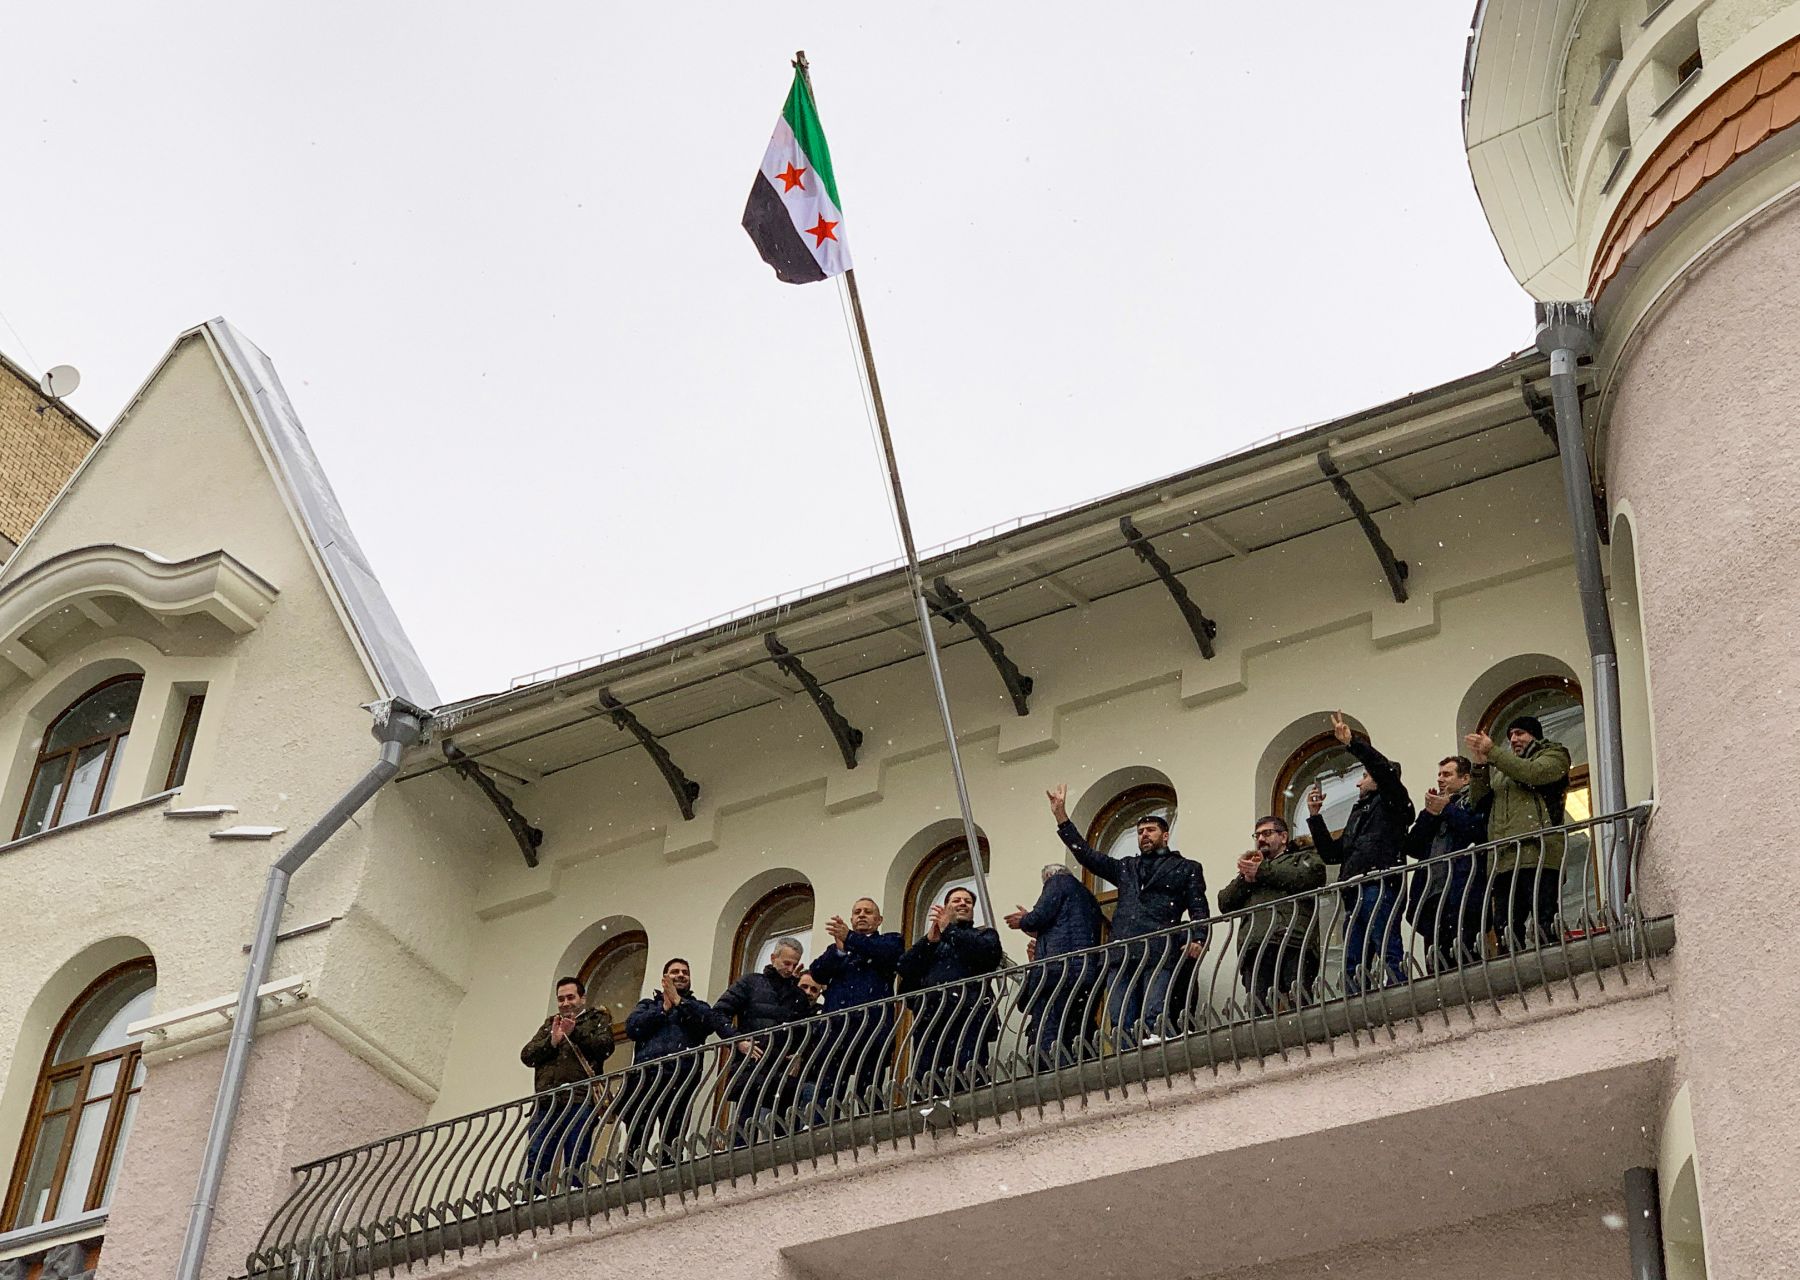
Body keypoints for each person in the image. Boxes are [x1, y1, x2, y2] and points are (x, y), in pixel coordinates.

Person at [1048, 784, 1209, 1047]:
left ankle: (1155, 1064)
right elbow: (1086, 855)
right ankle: (1128, 1064)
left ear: (1166, 836)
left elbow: (1199, 907)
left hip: (1159, 948)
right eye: (1140, 832)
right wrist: (1061, 817)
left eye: (1150, 830)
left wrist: (1198, 937)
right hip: (1122, 952)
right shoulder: (1126, 867)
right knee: (1120, 1017)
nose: (1144, 835)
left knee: (1154, 1013)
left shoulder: (1186, 868)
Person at [1305, 713, 1415, 994]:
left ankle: (1400, 988)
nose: (1358, 783)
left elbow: (1384, 772)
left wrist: (1353, 743)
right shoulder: (1359, 812)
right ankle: (1356, 997)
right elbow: (1332, 855)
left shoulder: (1394, 802)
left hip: (1379, 883)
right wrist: (1315, 817)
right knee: (1354, 955)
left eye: (1364, 776)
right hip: (1354, 889)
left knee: (1385, 941)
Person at [1466, 715, 1572, 951]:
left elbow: (1532, 773)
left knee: (1544, 918)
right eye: (1511, 735)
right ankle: (1514, 974)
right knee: (1504, 927)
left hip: (1539, 854)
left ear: (1534, 735)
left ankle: (1553, 963)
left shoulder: (1554, 755)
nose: (1514, 739)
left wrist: (1493, 753)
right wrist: (1481, 764)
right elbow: (1478, 801)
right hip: (1505, 860)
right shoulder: (1503, 770)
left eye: (1520, 733)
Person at [896, 886, 1004, 1096]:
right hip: (932, 1017)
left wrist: (949, 930)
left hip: (969, 1014)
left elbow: (989, 956)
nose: (963, 904)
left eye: (968, 901)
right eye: (956, 900)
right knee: (928, 1074)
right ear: (945, 907)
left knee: (968, 1073)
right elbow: (904, 968)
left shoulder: (983, 934)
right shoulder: (932, 943)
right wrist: (929, 941)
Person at [1217, 815, 1328, 1014]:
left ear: (1283, 837)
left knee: (1298, 1001)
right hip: (1256, 944)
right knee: (1259, 1007)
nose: (1260, 839)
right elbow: (1224, 903)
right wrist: (1245, 878)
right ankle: (1265, 1045)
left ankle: (1303, 1040)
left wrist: (1261, 871)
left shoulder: (1300, 858)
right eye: (1257, 835)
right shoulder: (1252, 872)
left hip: (1293, 939)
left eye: (1267, 833)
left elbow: (1312, 876)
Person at [710, 938, 815, 1143]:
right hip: (752, 1063)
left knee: (785, 1129)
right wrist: (739, 1041)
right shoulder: (751, 983)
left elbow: (806, 1032)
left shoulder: (797, 997)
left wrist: (800, 1056)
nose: (790, 968)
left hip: (782, 1069)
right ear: (773, 958)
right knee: (745, 1126)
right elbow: (718, 1014)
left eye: (795, 964)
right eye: (786, 963)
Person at [807, 897, 904, 1115]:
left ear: (879, 920)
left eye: (868, 912)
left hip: (872, 1028)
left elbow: (887, 954)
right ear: (851, 918)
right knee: (828, 1090)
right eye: (857, 912)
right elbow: (817, 972)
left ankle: (869, 1129)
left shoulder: (890, 941)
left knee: (868, 1088)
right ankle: (822, 1130)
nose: (861, 915)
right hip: (837, 1029)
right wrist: (839, 950)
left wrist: (849, 938)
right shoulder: (839, 950)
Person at [518, 975, 615, 1190]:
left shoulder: (596, 1019)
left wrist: (575, 1033)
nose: (565, 1003)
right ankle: (532, 1198)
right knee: (538, 1153)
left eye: (570, 997)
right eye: (561, 999)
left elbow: (605, 1047)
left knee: (576, 1149)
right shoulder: (550, 1025)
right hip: (547, 1101)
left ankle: (574, 1192)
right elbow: (527, 1056)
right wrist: (552, 1041)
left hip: (580, 1098)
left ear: (582, 998)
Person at [1004, 864, 1104, 1068]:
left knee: (1049, 1032)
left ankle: (1051, 1071)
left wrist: (1025, 920)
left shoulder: (1057, 882)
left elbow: (1039, 916)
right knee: (1074, 1027)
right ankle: (1073, 1067)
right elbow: (1065, 928)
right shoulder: (1087, 898)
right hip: (1082, 973)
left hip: (1058, 973)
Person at [619, 958, 713, 1169]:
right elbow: (632, 1028)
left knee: (674, 1132)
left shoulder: (696, 1007)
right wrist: (663, 1009)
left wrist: (679, 1003)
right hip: (646, 1077)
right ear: (664, 979)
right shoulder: (647, 1005)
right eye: (674, 972)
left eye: (685, 972)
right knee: (638, 1132)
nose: (680, 975)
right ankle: (629, 1175)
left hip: (682, 1077)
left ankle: (669, 1174)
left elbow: (707, 1023)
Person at [1402, 756, 1490, 972]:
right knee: (1437, 965)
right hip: (1431, 896)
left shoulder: (1474, 801)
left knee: (1466, 958)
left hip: (1462, 892)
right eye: (1439, 774)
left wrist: (1447, 809)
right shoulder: (1438, 810)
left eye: (1447, 774)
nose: (1440, 779)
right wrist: (1430, 814)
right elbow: (1412, 847)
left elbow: (1478, 832)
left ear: (1466, 778)